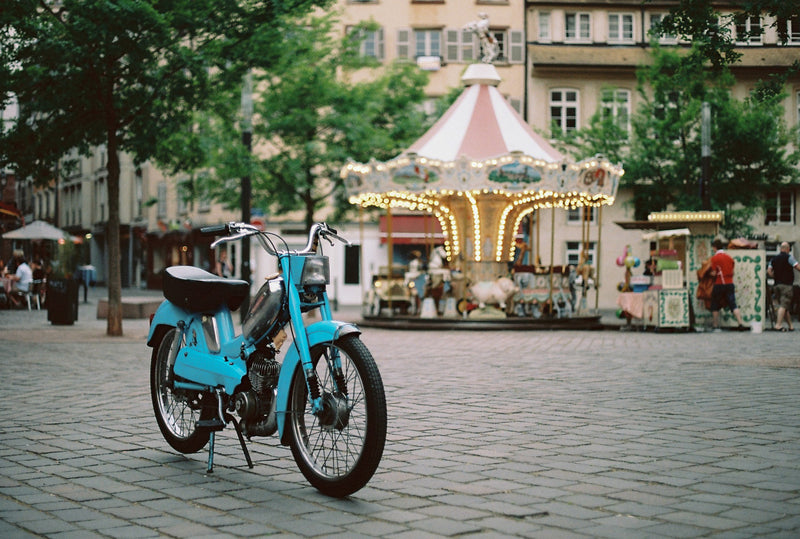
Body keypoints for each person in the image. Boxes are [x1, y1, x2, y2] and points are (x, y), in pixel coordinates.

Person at [709, 238, 747, 331]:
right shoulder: (729, 258)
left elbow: (714, 273)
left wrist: (709, 274)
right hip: (729, 283)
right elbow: (732, 272)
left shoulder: (714, 258)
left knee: (715, 304)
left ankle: (715, 324)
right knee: (733, 304)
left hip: (719, 283)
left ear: (715, 248)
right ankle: (740, 323)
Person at [767, 241, 800, 331]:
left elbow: (769, 271)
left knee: (784, 306)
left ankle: (791, 326)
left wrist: (776, 276)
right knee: (784, 305)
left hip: (776, 285)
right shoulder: (789, 257)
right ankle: (778, 325)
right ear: (787, 249)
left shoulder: (773, 259)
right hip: (786, 285)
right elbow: (797, 267)